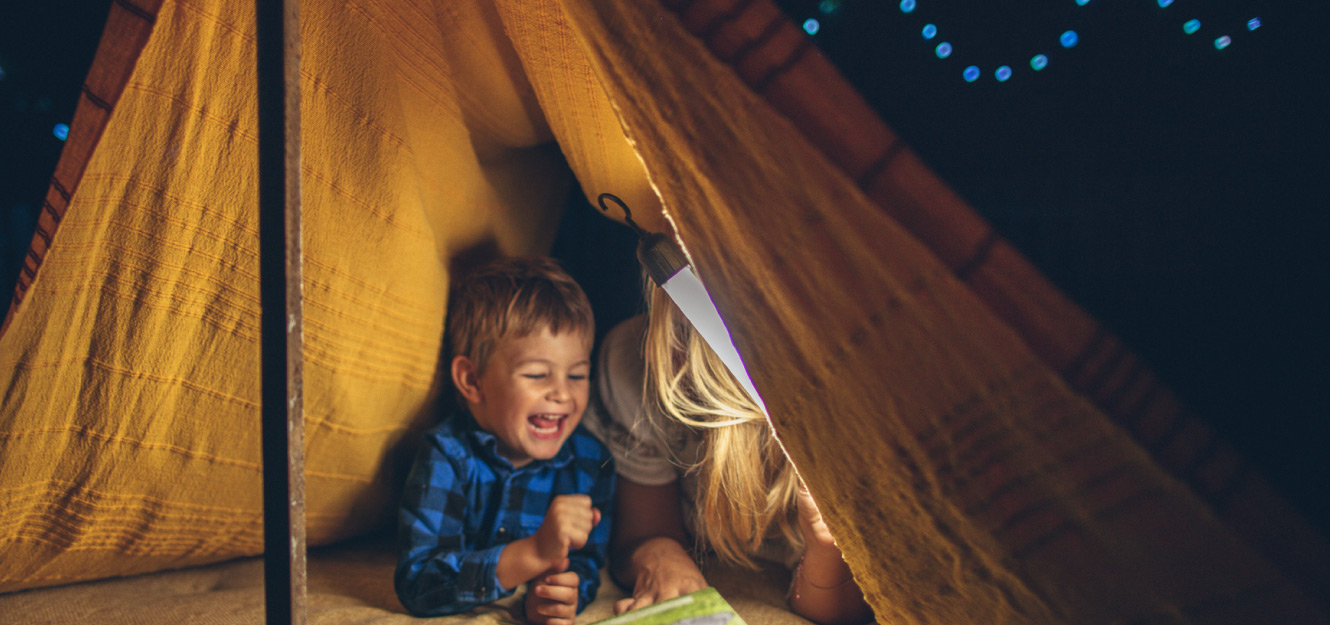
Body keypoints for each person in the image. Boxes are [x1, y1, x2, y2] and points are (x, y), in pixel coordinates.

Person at [584, 286, 873, 625]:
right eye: (668, 324)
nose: (657, 355)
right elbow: (643, 530)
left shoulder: (834, 418)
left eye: (686, 333)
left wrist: (825, 547)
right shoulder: (634, 362)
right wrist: (661, 555)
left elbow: (838, 611)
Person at [395, 257, 615, 625]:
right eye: (536, 374)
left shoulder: (592, 464)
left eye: (577, 375)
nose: (562, 393)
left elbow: (584, 564)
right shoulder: (446, 456)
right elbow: (418, 583)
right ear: (472, 381)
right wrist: (531, 553)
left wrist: (556, 597)